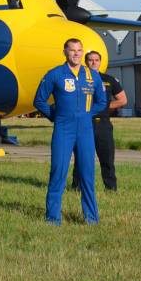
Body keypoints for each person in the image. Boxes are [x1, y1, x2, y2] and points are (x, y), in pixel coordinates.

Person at [33, 38, 107, 225]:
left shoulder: (92, 75)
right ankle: (52, 218)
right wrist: (55, 116)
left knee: (87, 174)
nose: (76, 54)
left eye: (79, 50)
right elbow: (39, 100)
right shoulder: (55, 74)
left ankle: (91, 218)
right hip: (63, 129)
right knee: (58, 171)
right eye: (72, 50)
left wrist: (87, 114)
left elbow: (102, 102)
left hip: (85, 130)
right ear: (65, 52)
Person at [71, 50, 127, 191]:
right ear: (86, 62)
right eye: (90, 60)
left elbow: (123, 100)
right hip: (84, 124)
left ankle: (110, 188)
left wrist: (105, 107)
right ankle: (77, 187)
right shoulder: (79, 79)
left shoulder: (109, 80)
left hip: (103, 124)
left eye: (96, 60)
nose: (94, 62)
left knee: (107, 158)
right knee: (81, 158)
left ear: (100, 62)